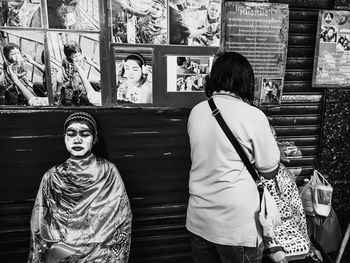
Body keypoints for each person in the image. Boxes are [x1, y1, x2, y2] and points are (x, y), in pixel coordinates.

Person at [186, 51, 280, 263]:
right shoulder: (253, 115)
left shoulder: (196, 112)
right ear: (245, 81)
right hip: (236, 227)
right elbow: (269, 170)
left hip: (199, 219)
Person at [28, 111, 132, 262]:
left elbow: (122, 217)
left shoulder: (108, 171)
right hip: (61, 254)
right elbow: (39, 221)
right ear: (64, 138)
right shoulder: (51, 176)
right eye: (71, 134)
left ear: (95, 139)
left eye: (84, 134)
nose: (77, 139)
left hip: (100, 255)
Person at [59, 40, 101, 106]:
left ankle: (78, 99)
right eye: (74, 57)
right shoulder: (67, 61)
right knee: (70, 98)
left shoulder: (79, 59)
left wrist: (88, 61)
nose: (77, 58)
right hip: (70, 84)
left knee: (80, 92)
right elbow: (64, 68)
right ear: (68, 56)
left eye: (79, 54)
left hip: (79, 81)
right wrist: (65, 72)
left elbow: (83, 62)